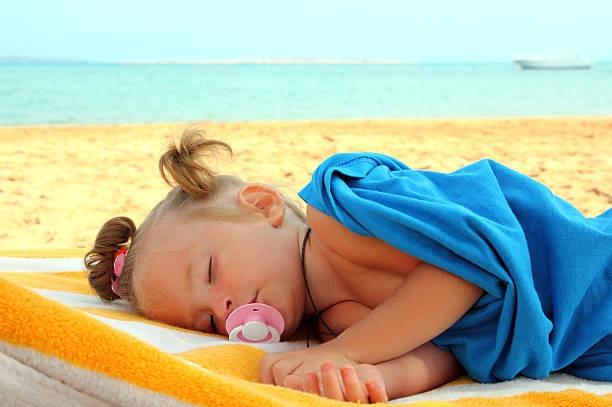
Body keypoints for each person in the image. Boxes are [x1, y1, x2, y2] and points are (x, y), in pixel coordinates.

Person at [85, 125, 612, 403]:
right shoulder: (333, 322)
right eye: (205, 321)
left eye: (209, 273)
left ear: (263, 205)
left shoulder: (342, 212)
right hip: (589, 342)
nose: (223, 311)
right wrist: (370, 378)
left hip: (586, 269)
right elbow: (448, 357)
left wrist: (349, 351)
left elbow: (461, 268)